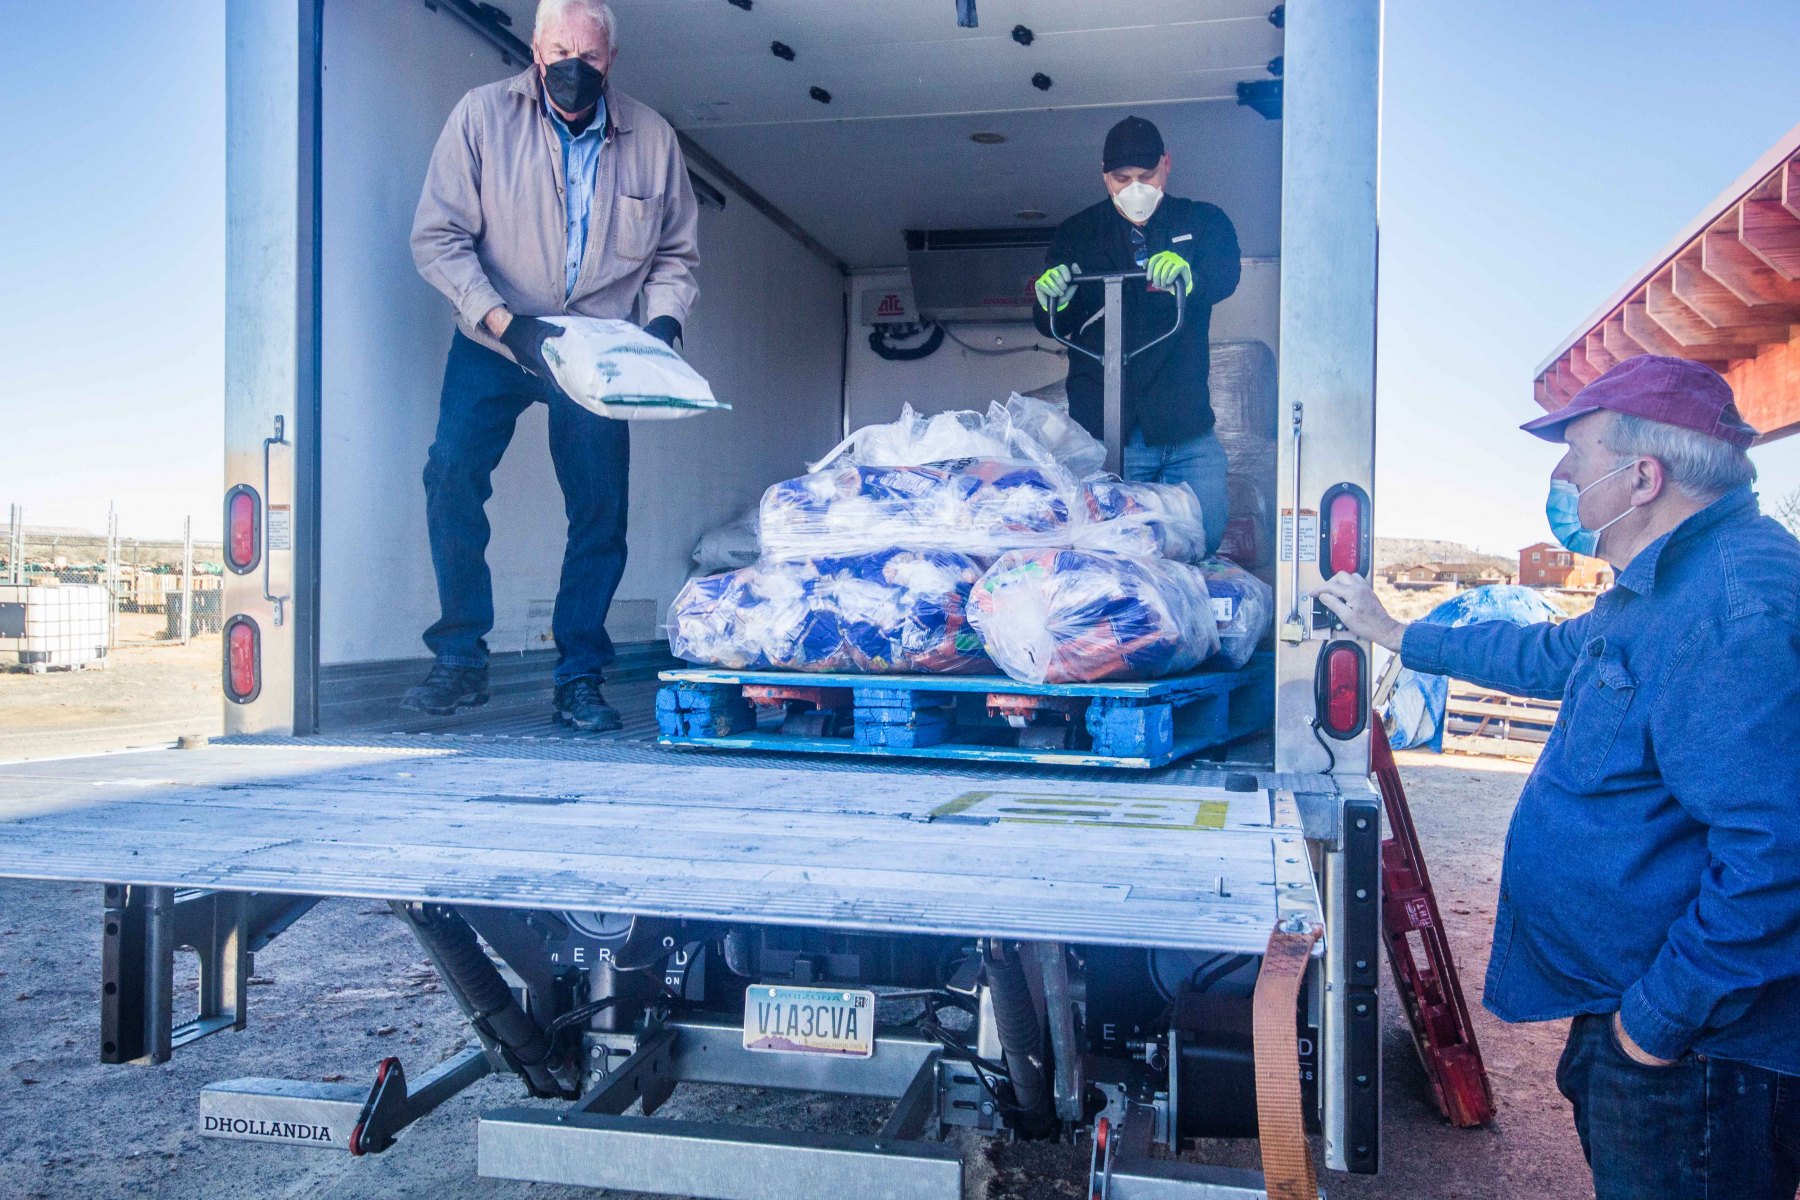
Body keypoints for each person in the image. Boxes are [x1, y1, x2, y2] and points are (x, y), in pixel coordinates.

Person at [1316, 355, 1800, 1200]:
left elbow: (1776, 854)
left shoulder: (1733, 606)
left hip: (1699, 1054)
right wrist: (1395, 633)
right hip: (1651, 1019)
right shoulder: (1665, 584)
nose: (1563, 479)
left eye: (1577, 458)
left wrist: (1653, 1025)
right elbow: (1547, 652)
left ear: (1642, 476)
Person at [405, 0, 698, 731]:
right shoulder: (481, 118)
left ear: (611, 60)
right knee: (450, 474)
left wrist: (663, 323)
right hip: (495, 336)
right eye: (560, 53)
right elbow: (438, 239)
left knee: (600, 510)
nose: (574, 68)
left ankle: (578, 675)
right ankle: (460, 658)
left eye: (590, 57)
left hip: (593, 347)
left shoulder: (653, 138)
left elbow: (674, 253)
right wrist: (507, 324)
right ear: (536, 51)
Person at [1031, 115, 1241, 555]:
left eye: (1146, 176)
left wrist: (1191, 277)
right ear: (1104, 175)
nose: (1135, 188)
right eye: (1122, 179)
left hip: (1187, 431)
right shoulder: (1078, 233)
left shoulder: (1203, 221)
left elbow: (1225, 275)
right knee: (1114, 557)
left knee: (1202, 541)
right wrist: (1057, 299)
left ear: (1167, 165)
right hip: (1108, 437)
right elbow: (1048, 320)